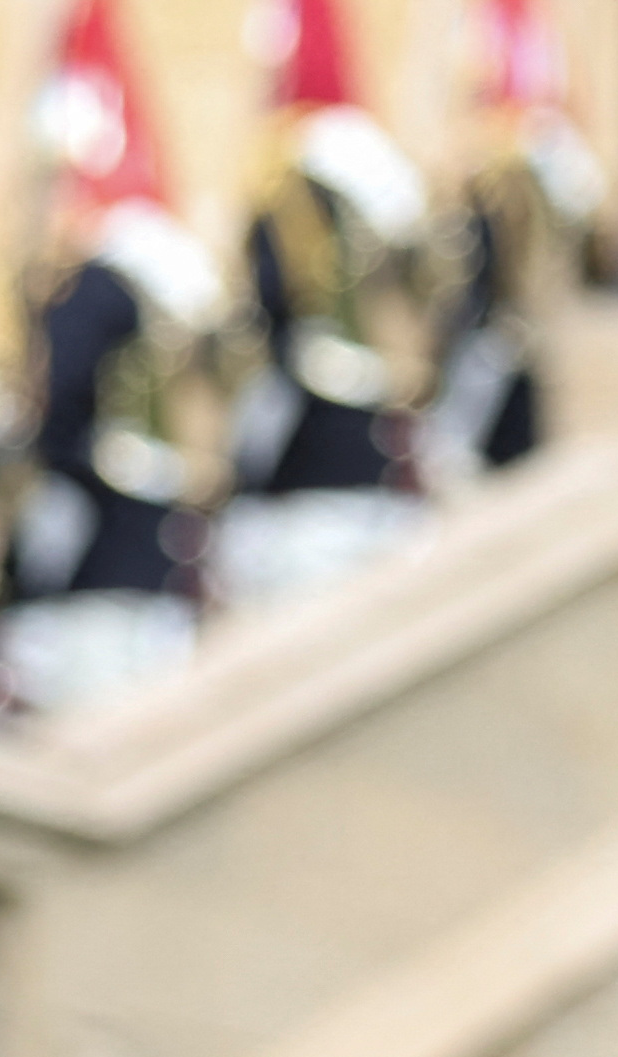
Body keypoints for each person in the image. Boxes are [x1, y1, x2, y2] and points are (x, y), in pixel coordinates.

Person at [0, 0, 220, 714]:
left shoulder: (97, 280)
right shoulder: (175, 274)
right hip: (169, 541)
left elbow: (59, 403)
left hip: (93, 551)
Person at [216, 0, 432, 605]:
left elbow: (272, 323)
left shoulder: (288, 185)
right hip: (388, 451)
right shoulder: (394, 188)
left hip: (302, 459)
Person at [424, 0, 605, 481]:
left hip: (538, 205)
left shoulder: (550, 23)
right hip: (490, 202)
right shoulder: (466, 23)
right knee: (489, 330)